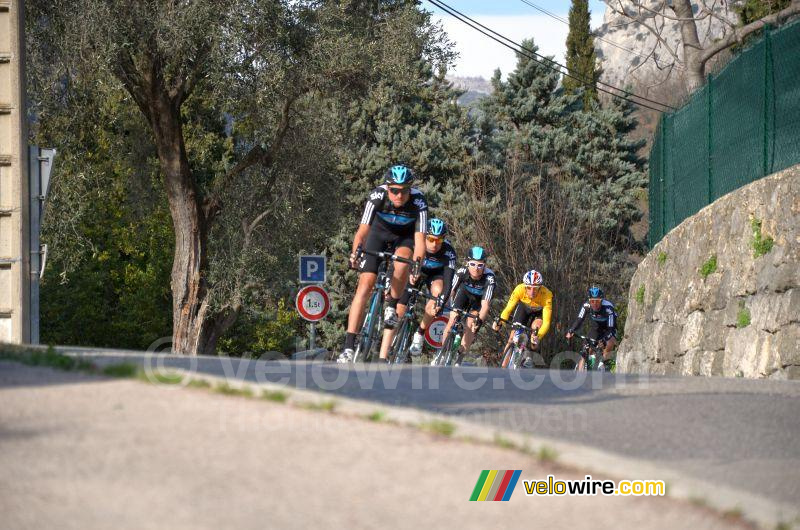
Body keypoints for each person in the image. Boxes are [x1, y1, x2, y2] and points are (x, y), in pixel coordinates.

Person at [337, 165, 427, 363]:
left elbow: (420, 241)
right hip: (378, 234)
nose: (399, 195)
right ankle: (348, 347)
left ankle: (391, 305)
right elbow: (362, 232)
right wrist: (356, 253)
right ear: (387, 188)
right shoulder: (377, 196)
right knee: (365, 284)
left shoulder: (419, 201)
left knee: (403, 263)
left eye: (404, 190)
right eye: (394, 190)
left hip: (404, 238)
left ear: (410, 189)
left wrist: (417, 265)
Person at [378, 218, 457, 361]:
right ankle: (388, 344)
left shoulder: (448, 252)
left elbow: (448, 283)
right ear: (424, 236)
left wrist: (440, 302)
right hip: (413, 271)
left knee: (438, 292)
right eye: (431, 239)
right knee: (399, 311)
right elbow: (396, 266)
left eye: (439, 240)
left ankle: (420, 333)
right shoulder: (415, 242)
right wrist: (389, 284)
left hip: (435, 275)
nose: (434, 244)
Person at [437, 246, 495, 365]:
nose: (476, 269)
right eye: (473, 264)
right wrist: (441, 304)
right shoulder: (462, 271)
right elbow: (450, 291)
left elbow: (485, 306)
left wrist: (479, 320)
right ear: (467, 263)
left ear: (485, 265)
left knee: (471, 324)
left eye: (480, 265)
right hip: (464, 296)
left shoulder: (489, 278)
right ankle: (442, 353)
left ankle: (461, 356)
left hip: (479, 302)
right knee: (452, 319)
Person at [492, 269, 553, 368]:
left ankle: (530, 353)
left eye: (535, 288)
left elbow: (546, 322)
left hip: (538, 312)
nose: (532, 291)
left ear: (540, 287)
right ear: (525, 286)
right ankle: (503, 367)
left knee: (536, 329)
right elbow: (508, 309)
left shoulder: (547, 295)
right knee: (512, 338)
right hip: (524, 309)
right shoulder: (519, 289)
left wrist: (539, 336)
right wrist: (500, 323)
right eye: (528, 288)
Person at [566, 286, 618, 370]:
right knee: (587, 349)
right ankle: (581, 373)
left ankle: (604, 364)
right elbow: (579, 319)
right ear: (589, 300)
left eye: (597, 301)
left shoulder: (608, 308)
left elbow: (611, 328)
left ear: (602, 300)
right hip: (596, 328)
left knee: (609, 344)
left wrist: (604, 340)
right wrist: (571, 330)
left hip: (609, 328)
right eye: (592, 301)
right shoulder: (586, 306)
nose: (595, 304)